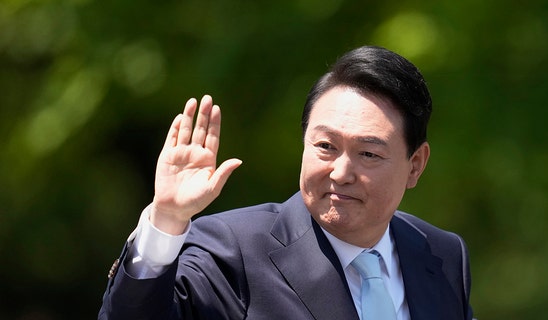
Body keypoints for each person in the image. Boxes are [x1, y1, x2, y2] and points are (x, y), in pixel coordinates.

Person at [98, 45, 474, 320]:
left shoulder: (441, 255)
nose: (341, 172)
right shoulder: (232, 251)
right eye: (326, 146)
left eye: (369, 154)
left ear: (415, 164)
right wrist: (166, 220)